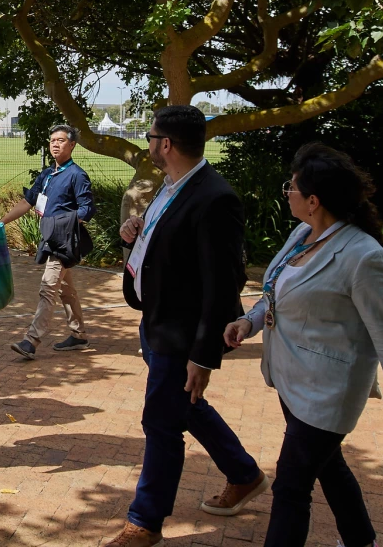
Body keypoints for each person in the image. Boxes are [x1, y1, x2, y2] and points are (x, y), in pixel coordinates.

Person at [224, 143, 383, 547]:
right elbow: (274, 290)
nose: (287, 194)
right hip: (292, 380)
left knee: (291, 486)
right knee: (330, 467)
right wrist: (248, 321)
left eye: (290, 188)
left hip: (329, 392)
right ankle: (361, 540)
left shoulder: (365, 257)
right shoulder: (303, 234)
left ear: (313, 201)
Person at [106, 106, 266, 547]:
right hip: (156, 320)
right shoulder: (172, 185)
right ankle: (244, 473)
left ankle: (145, 522)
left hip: (183, 334)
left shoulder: (215, 198)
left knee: (160, 421)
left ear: (167, 144)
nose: (148, 143)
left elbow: (224, 283)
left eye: (151, 136)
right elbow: (168, 244)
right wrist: (135, 232)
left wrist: (202, 355)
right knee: (185, 405)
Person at [3, 124, 95, 359]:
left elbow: (87, 209)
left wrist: (64, 223)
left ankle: (31, 341)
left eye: (61, 140)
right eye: (52, 140)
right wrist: (1, 223)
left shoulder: (77, 175)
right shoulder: (47, 174)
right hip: (49, 239)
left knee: (48, 288)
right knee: (66, 291)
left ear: (72, 145)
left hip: (63, 242)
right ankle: (79, 335)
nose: (55, 144)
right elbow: (28, 202)